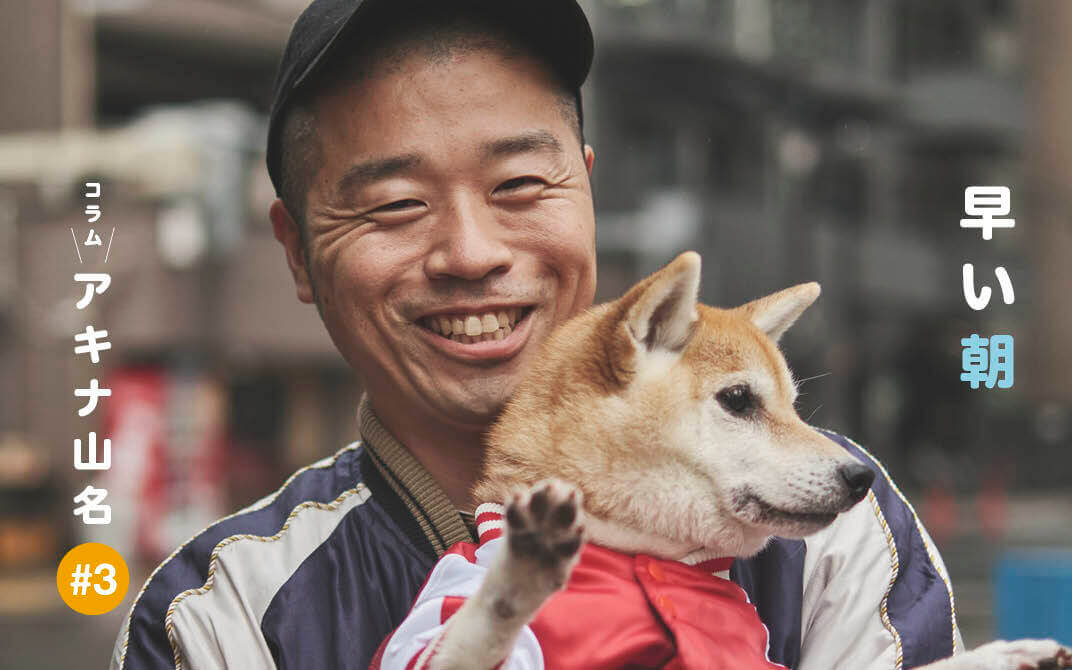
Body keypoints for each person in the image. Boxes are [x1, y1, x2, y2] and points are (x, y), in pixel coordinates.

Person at [111, 1, 960, 668]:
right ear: (298, 250)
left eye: (518, 184)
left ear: (586, 190)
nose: (471, 252)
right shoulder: (217, 613)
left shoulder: (833, 526)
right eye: (396, 204)